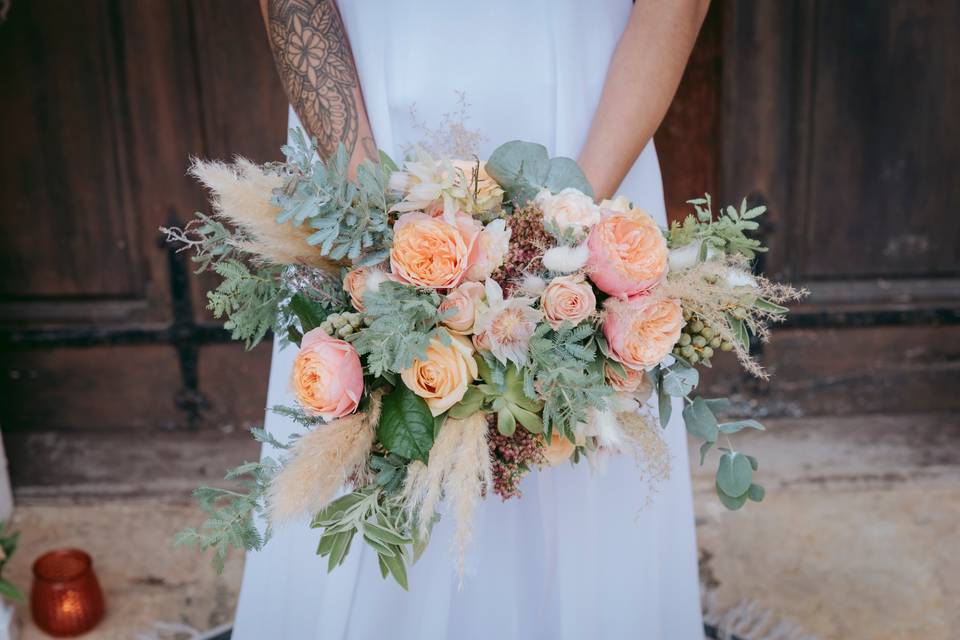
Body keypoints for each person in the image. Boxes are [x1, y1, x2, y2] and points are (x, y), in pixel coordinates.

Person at [234, 1, 709, 638]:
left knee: (586, 440)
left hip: (595, 137)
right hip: (364, 139)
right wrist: (374, 222)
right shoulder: (361, 193)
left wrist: (565, 234)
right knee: (367, 444)